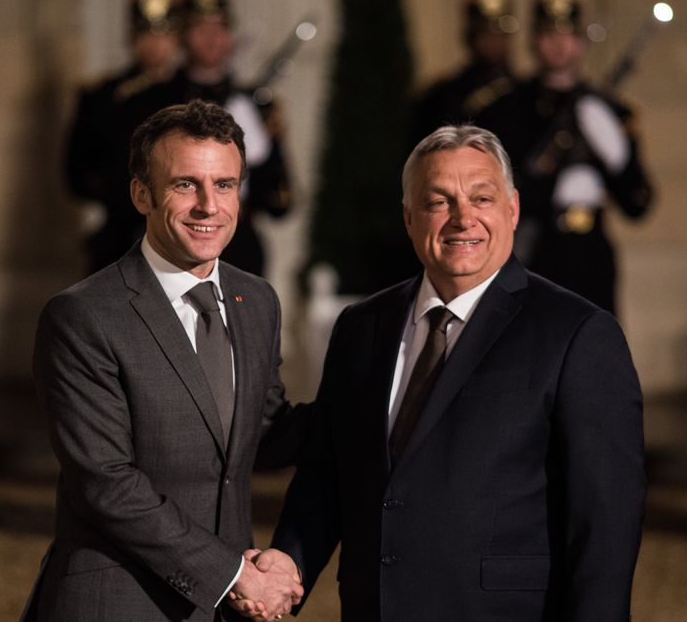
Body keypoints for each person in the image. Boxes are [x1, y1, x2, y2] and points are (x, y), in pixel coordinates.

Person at [243, 126, 646, 621]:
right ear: (409, 216)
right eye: (439, 201)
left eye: (482, 197)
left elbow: (604, 525)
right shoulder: (362, 328)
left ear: (513, 209)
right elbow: (329, 472)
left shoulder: (578, 334)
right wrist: (288, 563)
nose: (463, 218)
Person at [24, 100, 310, 621]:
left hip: (221, 609)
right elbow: (107, 484)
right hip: (119, 600)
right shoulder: (83, 316)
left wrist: (385, 393)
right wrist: (237, 575)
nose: (209, 205)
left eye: (224, 185)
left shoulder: (257, 302)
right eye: (185, 184)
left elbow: (259, 432)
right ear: (142, 194)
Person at [478, 0, 653, 314]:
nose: (559, 45)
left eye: (568, 35)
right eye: (548, 34)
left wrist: (618, 159)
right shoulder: (509, 109)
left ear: (581, 42)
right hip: (537, 252)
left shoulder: (610, 111)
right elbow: (500, 192)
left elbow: (638, 203)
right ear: (534, 41)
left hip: (593, 254)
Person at [122, 0, 293, 277]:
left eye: (221, 28)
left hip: (239, 246)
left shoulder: (255, 103)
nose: (212, 39)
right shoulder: (151, 99)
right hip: (170, 245)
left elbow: (279, 197)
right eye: (201, 28)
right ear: (183, 36)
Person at [65, 0, 180, 273]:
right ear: (131, 38)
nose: (155, 44)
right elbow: (76, 170)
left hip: (180, 236)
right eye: (146, 35)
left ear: (176, 39)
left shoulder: (191, 93)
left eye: (162, 34)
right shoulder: (103, 96)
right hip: (119, 234)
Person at [410, 0, 517, 143]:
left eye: (501, 34)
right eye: (486, 34)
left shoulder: (524, 91)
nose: (494, 41)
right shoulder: (442, 96)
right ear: (470, 38)